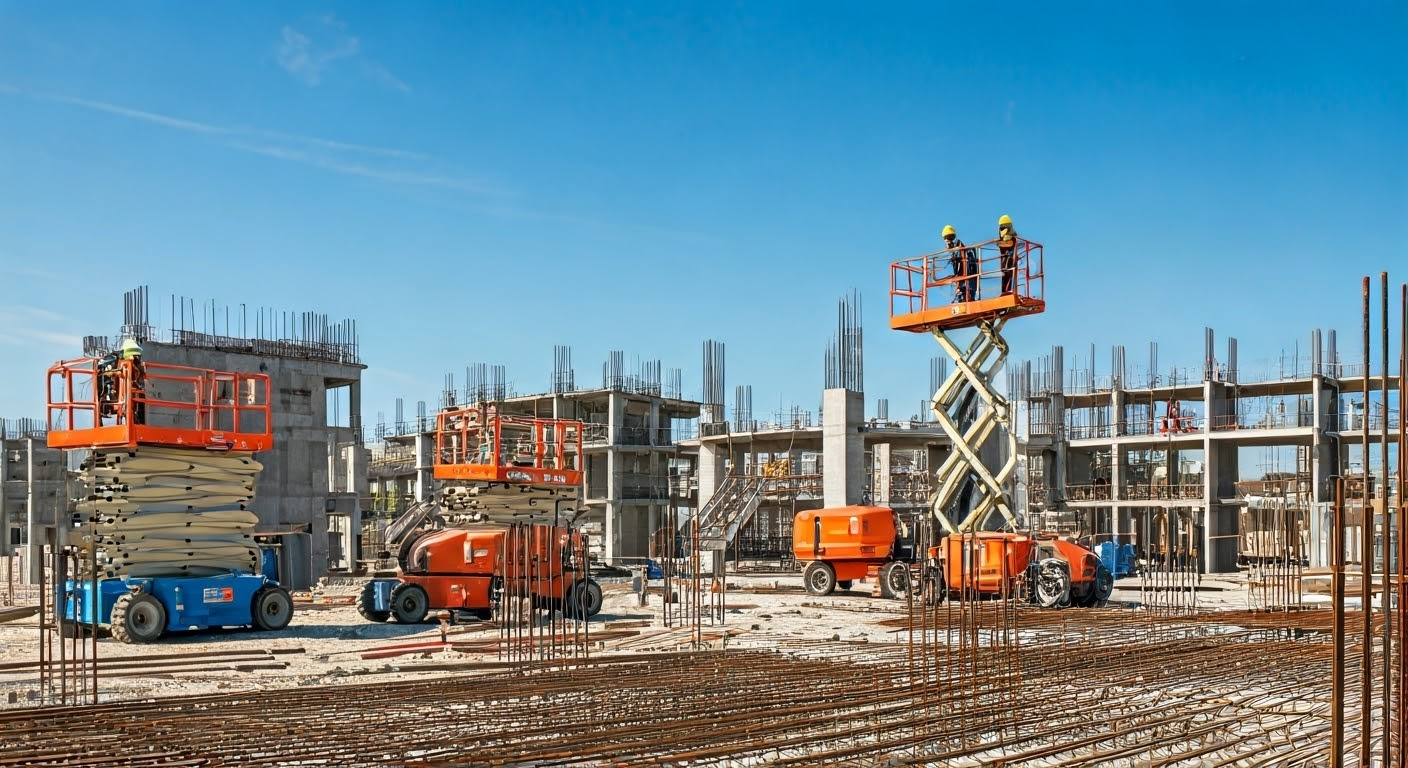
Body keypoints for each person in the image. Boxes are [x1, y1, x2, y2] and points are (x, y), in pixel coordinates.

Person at [942, 225, 979, 302]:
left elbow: (968, 272)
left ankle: (966, 294)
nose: (947, 242)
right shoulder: (957, 252)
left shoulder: (963, 251)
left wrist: (963, 288)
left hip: (967, 286)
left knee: (966, 298)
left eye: (949, 238)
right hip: (964, 285)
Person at [118, 337, 147, 425]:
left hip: (132, 397)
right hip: (136, 396)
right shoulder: (138, 366)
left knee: (135, 414)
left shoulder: (125, 364)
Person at [997, 214, 1018, 295]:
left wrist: (998, 243)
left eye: (1002, 228)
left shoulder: (1012, 239)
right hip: (1005, 266)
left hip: (1010, 265)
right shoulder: (1005, 240)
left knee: (1008, 279)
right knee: (1004, 279)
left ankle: (1006, 291)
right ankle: (1004, 291)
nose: (1001, 230)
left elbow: (1008, 244)